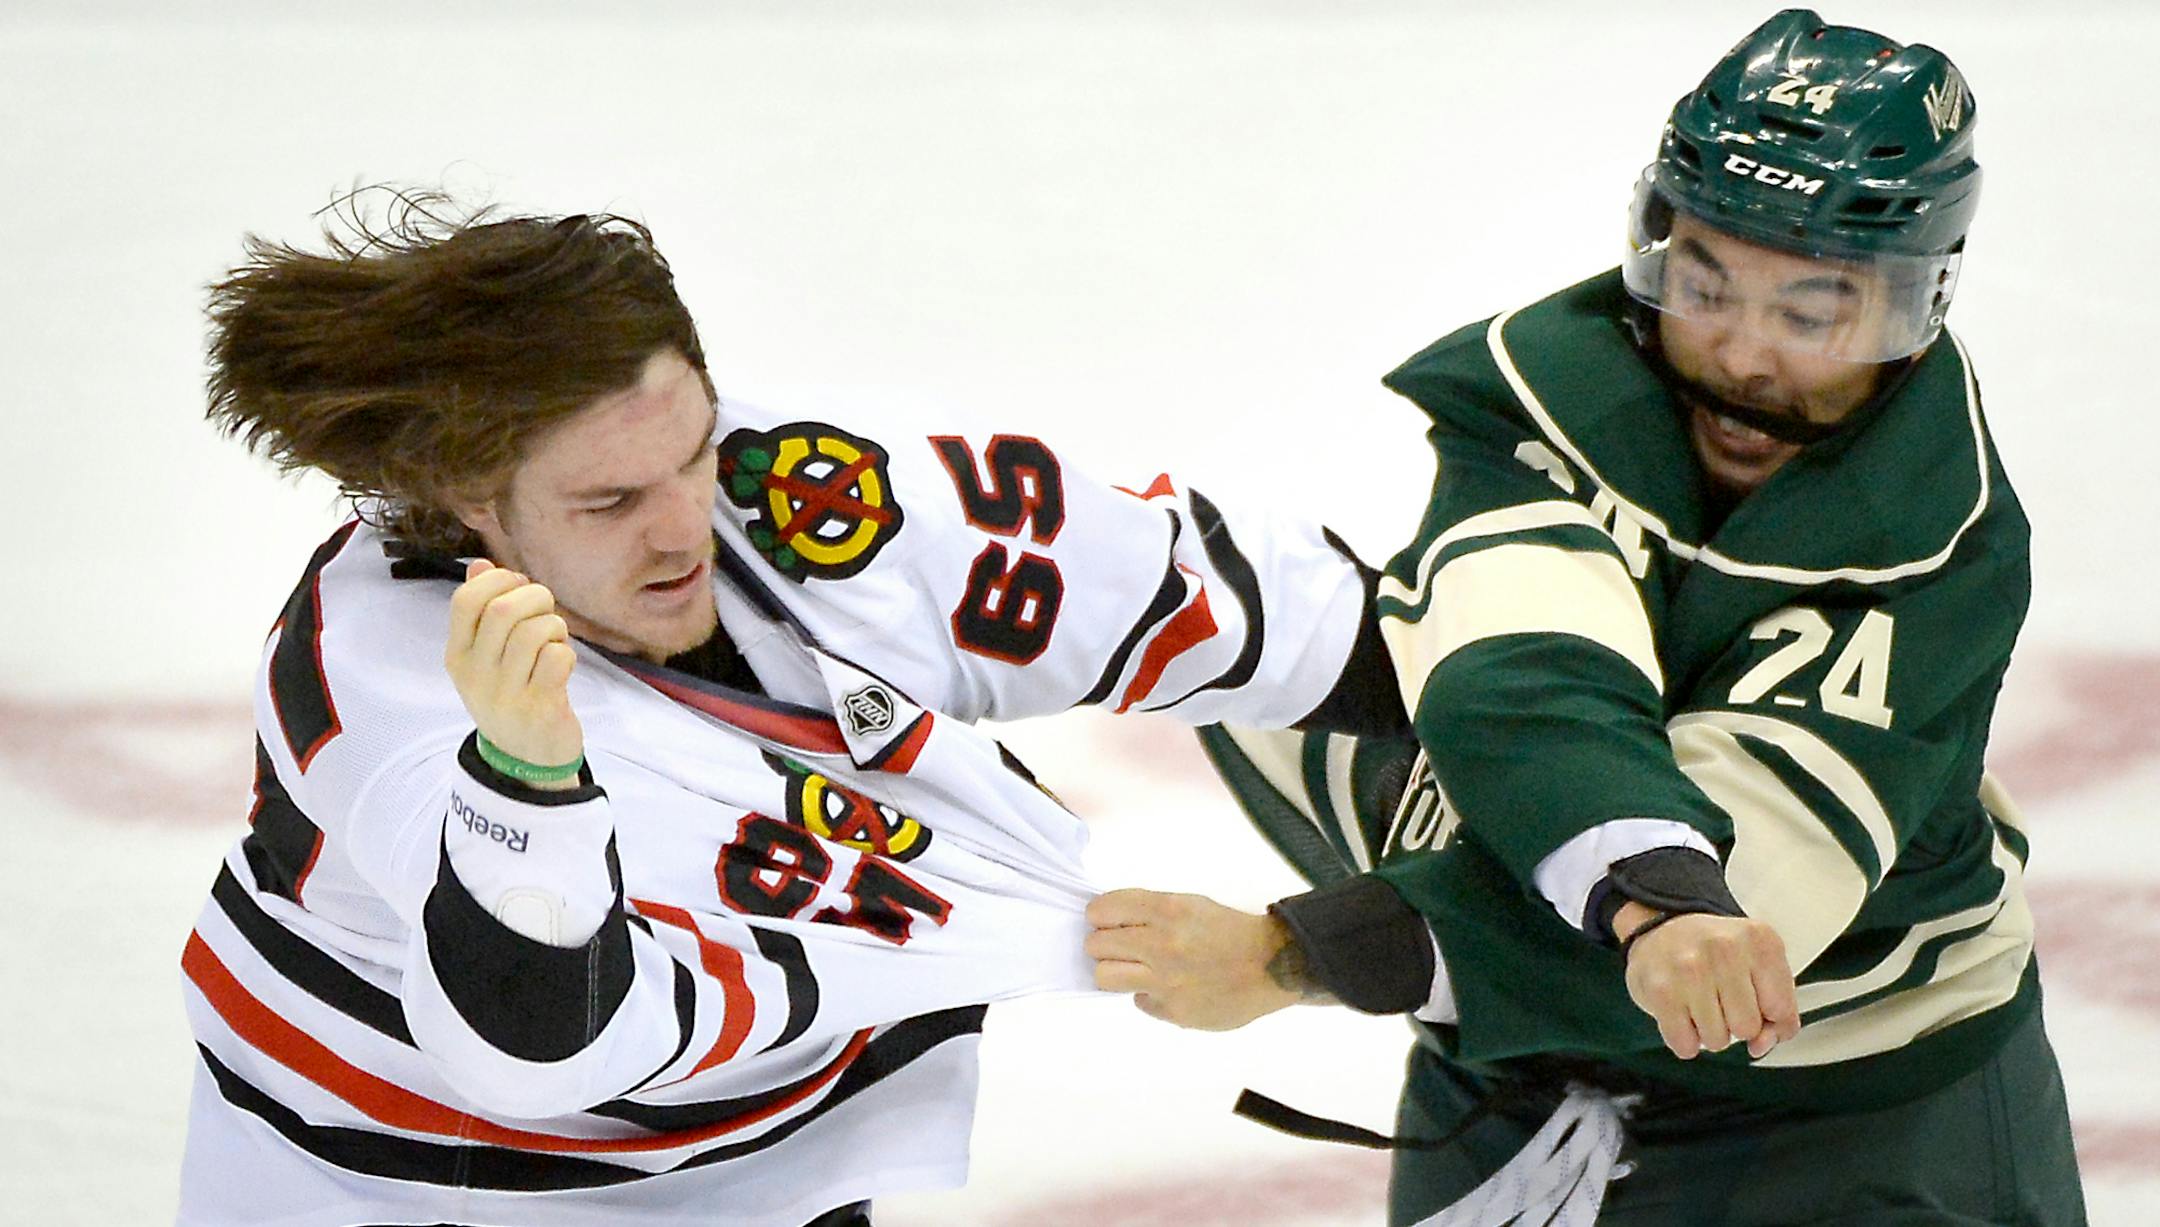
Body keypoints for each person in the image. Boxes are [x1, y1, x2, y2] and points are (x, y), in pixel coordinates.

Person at [177, 194, 1397, 1227]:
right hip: (405, 1185)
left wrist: (1534, 702)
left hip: (772, 1160)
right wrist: (531, 781)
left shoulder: (793, 491)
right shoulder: (384, 683)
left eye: (694, 452)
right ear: (464, 496)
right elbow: (539, 1039)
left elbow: (1264, 612)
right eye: (608, 504)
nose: (681, 529)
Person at [1086, 10, 2088, 1225]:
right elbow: (1525, 677)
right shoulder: (1538, 407)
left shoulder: (1939, 545)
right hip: (1507, 1071)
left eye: (1810, 315)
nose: (1741, 357)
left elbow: (1732, 922)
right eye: (1701, 286)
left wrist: (1294, 955)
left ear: (1914, 307)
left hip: (1858, 1117)